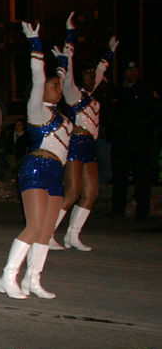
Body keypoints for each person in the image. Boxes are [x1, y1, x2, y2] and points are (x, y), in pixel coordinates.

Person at [0, 21, 73, 301]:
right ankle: (8, 275)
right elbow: (40, 78)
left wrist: (67, 51)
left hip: (56, 172)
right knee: (34, 225)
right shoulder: (38, 111)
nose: (58, 88)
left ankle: (33, 279)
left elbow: (65, 77)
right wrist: (35, 45)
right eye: (54, 85)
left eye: (58, 85)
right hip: (36, 169)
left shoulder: (64, 117)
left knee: (47, 229)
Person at [49, 23, 118, 250]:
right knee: (72, 192)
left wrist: (109, 53)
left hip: (90, 145)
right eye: (87, 76)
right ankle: (48, 233)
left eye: (93, 76)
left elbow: (101, 70)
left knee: (91, 193)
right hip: (75, 144)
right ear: (80, 79)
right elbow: (68, 71)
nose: (92, 78)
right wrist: (70, 36)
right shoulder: (73, 94)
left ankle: (72, 235)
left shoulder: (91, 95)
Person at [104, 61, 157, 221]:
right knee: (120, 176)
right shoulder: (115, 91)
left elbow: (153, 114)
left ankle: (142, 211)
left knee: (142, 178)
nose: (133, 72)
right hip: (121, 141)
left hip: (140, 140)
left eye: (135, 69)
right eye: (129, 69)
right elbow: (107, 114)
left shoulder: (146, 90)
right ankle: (117, 208)